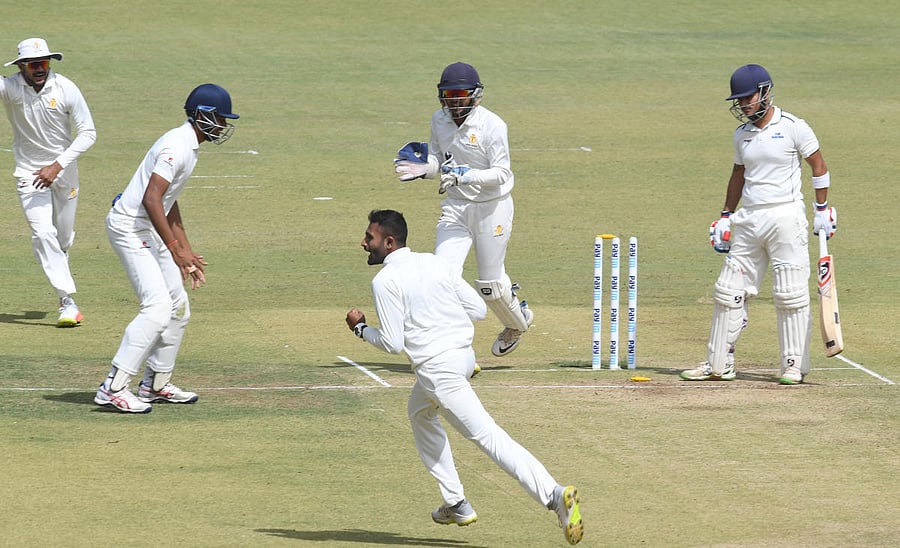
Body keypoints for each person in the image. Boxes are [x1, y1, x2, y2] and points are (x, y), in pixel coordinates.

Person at [345, 209, 583, 545]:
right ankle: (455, 502)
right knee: (419, 413)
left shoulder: (384, 281)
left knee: (489, 437)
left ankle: (554, 494)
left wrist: (361, 329)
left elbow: (393, 343)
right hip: (462, 359)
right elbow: (478, 310)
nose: (363, 243)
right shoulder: (435, 263)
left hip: (439, 372)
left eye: (369, 238)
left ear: (388, 241)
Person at [680, 64, 837, 385]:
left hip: (786, 217)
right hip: (749, 219)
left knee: (790, 294)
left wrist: (822, 208)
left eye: (747, 98)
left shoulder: (795, 126)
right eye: (738, 101)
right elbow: (738, 175)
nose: (742, 106)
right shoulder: (742, 135)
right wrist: (725, 215)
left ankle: (793, 365)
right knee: (728, 291)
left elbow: (818, 165)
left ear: (765, 92)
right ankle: (718, 363)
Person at [93, 83, 239, 413]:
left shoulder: (190, 146)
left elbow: (168, 202)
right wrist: (175, 249)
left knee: (178, 306)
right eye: (220, 119)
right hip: (129, 227)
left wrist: (187, 253)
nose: (224, 126)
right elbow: (151, 198)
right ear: (202, 116)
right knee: (157, 307)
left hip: (148, 228)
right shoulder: (178, 145)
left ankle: (154, 384)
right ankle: (113, 387)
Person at [393, 62, 533, 358]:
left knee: (490, 285)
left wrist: (463, 175)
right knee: (442, 276)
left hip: (491, 208)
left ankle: (516, 323)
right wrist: (423, 168)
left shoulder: (493, 125)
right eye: (449, 94)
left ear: (474, 95)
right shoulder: (438, 120)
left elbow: (502, 174)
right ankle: (448, 346)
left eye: (460, 94)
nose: (455, 101)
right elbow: (438, 161)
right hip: (456, 206)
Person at [1, 38, 96, 327]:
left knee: (62, 239)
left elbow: (88, 133)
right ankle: (68, 302)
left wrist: (57, 166)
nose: (39, 69)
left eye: (44, 63)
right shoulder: (11, 88)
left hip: (64, 172)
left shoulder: (66, 88)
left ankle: (52, 249)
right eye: (33, 64)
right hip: (29, 174)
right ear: (21, 67)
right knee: (44, 234)